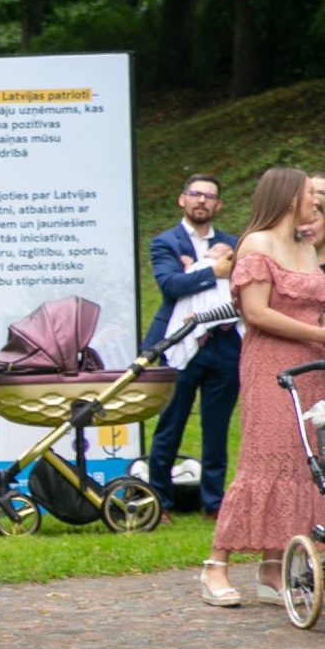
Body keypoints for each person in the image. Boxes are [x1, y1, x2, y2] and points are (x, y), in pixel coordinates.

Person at [202, 167, 325, 607]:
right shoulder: (256, 244)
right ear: (289, 198)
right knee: (265, 459)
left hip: (312, 366)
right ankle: (215, 566)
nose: (315, 201)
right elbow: (255, 312)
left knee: (301, 462)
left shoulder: (306, 246)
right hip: (272, 363)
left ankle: (273, 569)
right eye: (309, 193)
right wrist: (320, 335)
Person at [145, 174, 239, 518]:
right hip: (178, 341)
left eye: (209, 196)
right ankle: (159, 500)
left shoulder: (234, 244)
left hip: (225, 344)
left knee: (216, 428)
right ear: (182, 199)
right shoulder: (164, 242)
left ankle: (214, 503)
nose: (202, 200)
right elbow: (171, 285)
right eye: (195, 194)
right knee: (170, 424)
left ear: (218, 205)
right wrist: (214, 271)